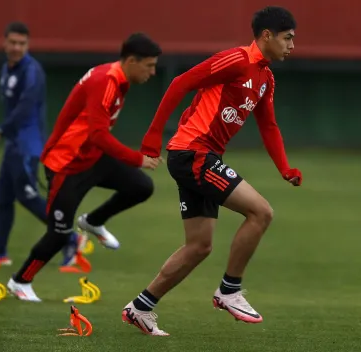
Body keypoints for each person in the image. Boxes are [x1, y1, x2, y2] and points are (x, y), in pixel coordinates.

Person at [122, 6, 303, 335]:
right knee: (261, 212)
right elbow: (180, 83)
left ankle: (141, 308)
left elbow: (269, 126)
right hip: (193, 153)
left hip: (197, 156)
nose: (292, 46)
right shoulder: (236, 60)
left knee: (199, 246)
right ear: (266, 36)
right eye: (287, 38)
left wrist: (285, 168)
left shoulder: (266, 78)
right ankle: (229, 291)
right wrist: (151, 136)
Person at [6, 32, 163, 301]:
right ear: (131, 61)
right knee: (58, 234)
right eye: (149, 65)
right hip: (66, 164)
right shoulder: (106, 81)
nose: (153, 71)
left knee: (140, 186)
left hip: (91, 157)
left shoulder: (117, 77)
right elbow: (98, 135)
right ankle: (20, 281)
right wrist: (137, 158)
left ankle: (93, 221)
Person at [0, 22, 80, 269]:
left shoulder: (32, 71)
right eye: (13, 42)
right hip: (14, 145)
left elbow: (24, 108)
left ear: (27, 45)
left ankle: (71, 238)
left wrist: (1, 130)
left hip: (27, 146)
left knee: (28, 197)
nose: (16, 48)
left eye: (22, 44)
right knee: (3, 198)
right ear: (5, 42)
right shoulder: (6, 69)